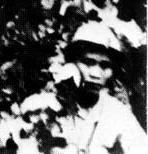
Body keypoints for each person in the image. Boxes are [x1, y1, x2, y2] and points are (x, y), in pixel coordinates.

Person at [54, 21, 147, 154]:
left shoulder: (117, 112)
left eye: (104, 65)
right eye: (88, 62)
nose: (96, 74)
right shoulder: (50, 104)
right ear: (73, 62)